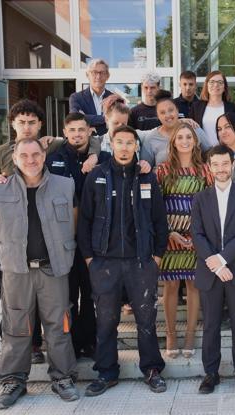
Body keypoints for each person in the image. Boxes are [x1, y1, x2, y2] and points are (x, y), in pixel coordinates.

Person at [0, 99, 99, 365]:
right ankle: (21, 348)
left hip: (49, 241)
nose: (27, 127)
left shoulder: (52, 145)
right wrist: (0, 185)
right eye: (21, 122)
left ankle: (60, 357)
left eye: (32, 122)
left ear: (40, 125)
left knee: (57, 305)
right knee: (11, 299)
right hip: (10, 241)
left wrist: (96, 153)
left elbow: (86, 138)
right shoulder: (0, 153)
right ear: (13, 124)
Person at [0, 138, 79, 409]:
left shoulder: (65, 185)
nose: (30, 160)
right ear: (14, 159)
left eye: (36, 154)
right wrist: (14, 253)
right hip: (17, 270)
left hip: (53, 269)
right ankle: (13, 380)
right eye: (24, 155)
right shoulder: (1, 190)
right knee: (16, 326)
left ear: (44, 156)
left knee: (59, 324)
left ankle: (63, 378)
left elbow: (72, 224)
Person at [78, 125, 169, 396]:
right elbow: (84, 220)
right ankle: (106, 372)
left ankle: (152, 369)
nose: (125, 147)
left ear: (136, 147)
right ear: (112, 145)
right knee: (106, 321)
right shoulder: (97, 176)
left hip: (141, 262)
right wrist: (89, 258)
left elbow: (159, 220)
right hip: (104, 263)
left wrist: (157, 256)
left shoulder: (147, 178)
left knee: (146, 319)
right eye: (120, 142)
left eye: (130, 143)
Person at [190, 145, 235, 394]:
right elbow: (196, 233)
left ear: (232, 164)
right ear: (209, 167)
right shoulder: (200, 198)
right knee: (210, 324)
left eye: (225, 163)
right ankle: (211, 373)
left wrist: (221, 260)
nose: (220, 168)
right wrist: (215, 264)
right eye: (215, 164)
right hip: (210, 271)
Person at [46, 113, 108, 359]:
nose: (77, 134)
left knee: (91, 292)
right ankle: (69, 343)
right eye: (72, 130)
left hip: (94, 240)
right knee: (67, 295)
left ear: (90, 131)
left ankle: (90, 341)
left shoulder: (103, 159)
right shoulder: (53, 159)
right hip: (62, 239)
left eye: (81, 130)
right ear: (65, 132)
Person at [155, 123, 213, 359]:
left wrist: (199, 235)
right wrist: (168, 232)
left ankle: (189, 334)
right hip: (170, 236)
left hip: (196, 236)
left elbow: (210, 205)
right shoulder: (163, 170)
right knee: (170, 285)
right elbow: (155, 206)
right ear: (173, 141)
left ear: (195, 141)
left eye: (189, 137)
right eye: (180, 137)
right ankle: (170, 334)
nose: (185, 141)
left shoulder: (204, 170)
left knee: (192, 285)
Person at [141, 90, 210, 165]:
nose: (167, 115)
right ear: (158, 116)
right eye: (162, 112)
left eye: (171, 110)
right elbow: (145, 168)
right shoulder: (151, 138)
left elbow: (210, 153)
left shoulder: (194, 128)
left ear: (177, 110)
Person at [189, 70, 235, 147]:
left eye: (220, 82)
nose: (215, 85)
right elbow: (190, 129)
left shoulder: (234, 108)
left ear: (224, 87)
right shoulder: (196, 107)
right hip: (202, 154)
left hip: (227, 153)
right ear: (207, 85)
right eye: (212, 82)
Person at [69, 58, 113, 135]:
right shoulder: (76, 98)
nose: (98, 76)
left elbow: (118, 122)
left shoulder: (113, 99)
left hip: (109, 143)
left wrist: (86, 118)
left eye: (102, 73)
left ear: (107, 76)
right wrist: (106, 119)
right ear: (87, 75)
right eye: (94, 72)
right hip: (87, 143)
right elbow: (76, 117)